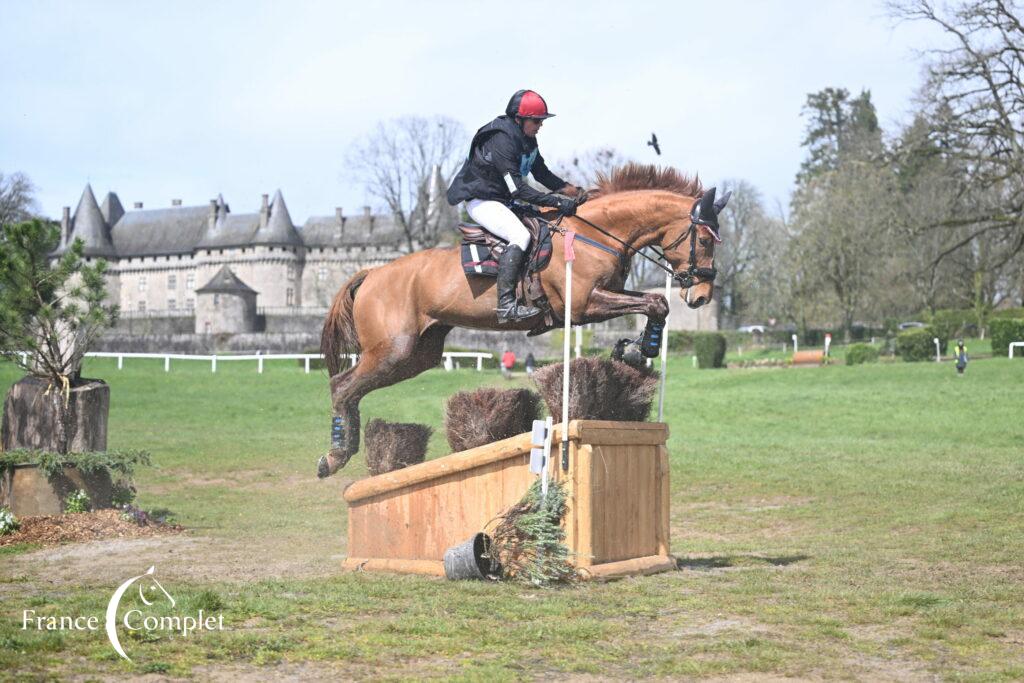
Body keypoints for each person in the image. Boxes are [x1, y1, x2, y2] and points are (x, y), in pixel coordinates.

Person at [448, 89, 582, 323]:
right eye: (536, 121)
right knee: (520, 236)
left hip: (503, 200)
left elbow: (542, 174)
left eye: (541, 121)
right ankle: (506, 305)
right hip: (483, 201)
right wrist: (558, 201)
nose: (540, 125)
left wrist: (572, 190)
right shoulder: (501, 140)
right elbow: (519, 190)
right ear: (519, 119)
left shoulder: (528, 139)